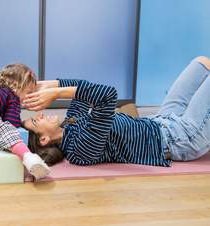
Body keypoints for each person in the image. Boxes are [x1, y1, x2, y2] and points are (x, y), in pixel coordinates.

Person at [22, 56, 210, 167]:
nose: (40, 114)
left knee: (201, 62)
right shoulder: (79, 149)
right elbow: (107, 95)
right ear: (44, 140)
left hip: (161, 120)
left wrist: (48, 85)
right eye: (36, 121)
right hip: (180, 139)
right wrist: (56, 94)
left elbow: (80, 88)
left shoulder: (70, 123)